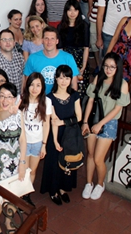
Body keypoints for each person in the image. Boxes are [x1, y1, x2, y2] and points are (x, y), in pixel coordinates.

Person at [81, 52, 130, 201]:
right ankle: (88, 183)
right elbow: (90, 100)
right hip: (93, 118)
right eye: (106, 66)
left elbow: (117, 109)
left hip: (109, 122)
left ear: (118, 68)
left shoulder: (123, 85)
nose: (108, 70)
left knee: (98, 158)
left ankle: (100, 184)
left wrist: (100, 124)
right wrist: (85, 121)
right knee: (90, 154)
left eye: (112, 67)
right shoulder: (99, 78)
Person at [41, 65, 82, 205]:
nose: (64, 81)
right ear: (56, 78)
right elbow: (53, 122)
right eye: (61, 77)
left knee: (68, 161)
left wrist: (63, 122)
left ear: (71, 80)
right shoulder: (49, 97)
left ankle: (63, 188)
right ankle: (53, 191)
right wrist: (55, 141)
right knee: (54, 162)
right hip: (55, 135)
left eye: (67, 78)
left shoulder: (74, 95)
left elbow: (79, 117)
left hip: (70, 134)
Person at [18, 72, 51, 206]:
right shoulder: (20, 100)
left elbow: (46, 124)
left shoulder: (46, 101)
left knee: (32, 171)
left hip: (37, 143)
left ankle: (27, 195)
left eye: (38, 85)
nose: (35, 88)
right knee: (23, 171)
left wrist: (44, 145)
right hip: (24, 143)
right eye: (32, 85)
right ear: (27, 85)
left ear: (42, 87)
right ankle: (20, 196)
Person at [0, 83, 27, 184]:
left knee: (14, 191)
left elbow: (22, 139)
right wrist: (9, 112)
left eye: (9, 97)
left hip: (16, 162)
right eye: (2, 96)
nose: (5, 100)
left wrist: (22, 162)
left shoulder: (19, 114)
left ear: (15, 99)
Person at [23, 26, 79, 94]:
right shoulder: (32, 58)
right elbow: (27, 83)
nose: (49, 42)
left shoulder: (68, 58)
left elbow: (74, 84)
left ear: (57, 41)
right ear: (42, 40)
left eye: (52, 39)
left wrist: (73, 99)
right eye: (46, 38)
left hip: (61, 98)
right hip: (40, 98)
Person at [58, 0, 90, 97]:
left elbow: (86, 47)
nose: (72, 13)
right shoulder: (60, 27)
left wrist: (83, 66)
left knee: (81, 87)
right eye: (70, 10)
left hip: (81, 59)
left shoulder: (84, 26)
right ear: (66, 11)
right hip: (65, 59)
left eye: (75, 10)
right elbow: (60, 49)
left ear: (79, 11)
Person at [0, 29, 25, 94]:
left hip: (18, 96)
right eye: (4, 40)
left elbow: (23, 77)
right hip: (2, 97)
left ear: (14, 43)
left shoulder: (20, 57)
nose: (8, 42)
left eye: (10, 39)